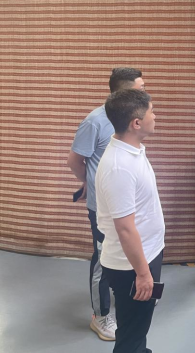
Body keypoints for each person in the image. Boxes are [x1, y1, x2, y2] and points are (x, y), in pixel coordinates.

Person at [67, 67, 145, 341]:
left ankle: (135, 294)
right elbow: (75, 161)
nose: (145, 93)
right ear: (124, 92)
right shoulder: (94, 121)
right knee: (103, 258)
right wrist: (89, 183)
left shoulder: (135, 119)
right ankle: (100, 316)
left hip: (130, 203)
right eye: (140, 88)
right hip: (103, 208)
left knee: (130, 249)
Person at [97, 89, 165, 353]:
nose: (155, 116)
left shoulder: (132, 150)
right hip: (132, 266)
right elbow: (125, 229)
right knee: (131, 336)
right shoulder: (119, 166)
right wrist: (143, 274)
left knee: (139, 325)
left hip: (147, 253)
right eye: (151, 112)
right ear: (136, 123)